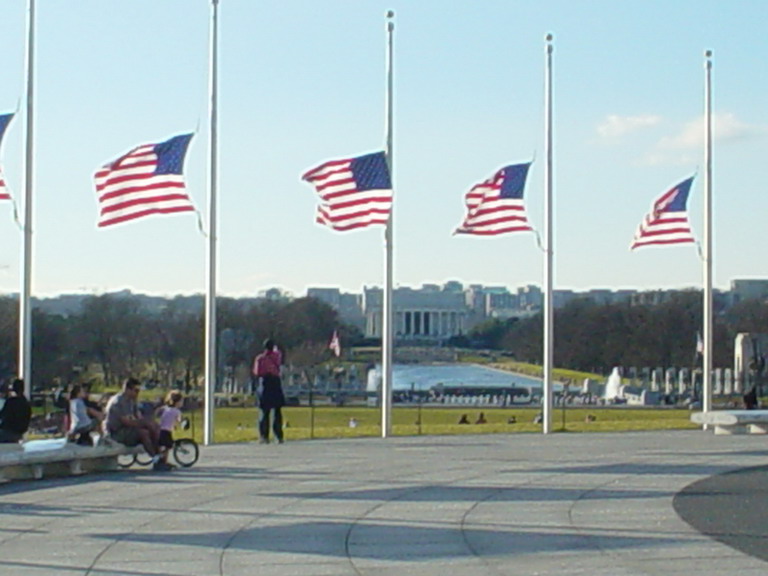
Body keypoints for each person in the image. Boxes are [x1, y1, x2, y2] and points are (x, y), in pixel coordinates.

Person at [104, 378, 169, 471]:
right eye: (136, 390)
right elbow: (126, 422)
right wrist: (146, 423)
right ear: (127, 389)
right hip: (116, 433)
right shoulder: (117, 402)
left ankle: (160, 459)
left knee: (151, 429)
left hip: (128, 430)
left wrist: (150, 424)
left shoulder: (132, 400)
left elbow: (138, 417)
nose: (138, 393)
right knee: (143, 432)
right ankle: (156, 459)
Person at [253, 338, 285, 444]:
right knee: (277, 411)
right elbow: (278, 353)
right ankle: (279, 435)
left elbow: (257, 372)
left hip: (265, 383)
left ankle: (264, 436)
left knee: (264, 412)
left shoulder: (260, 359)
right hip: (276, 383)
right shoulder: (277, 356)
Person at [156, 390, 183, 466]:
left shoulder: (165, 408)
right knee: (167, 447)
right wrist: (181, 422)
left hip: (160, 429)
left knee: (162, 445)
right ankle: (163, 461)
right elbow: (179, 420)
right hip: (167, 431)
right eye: (181, 401)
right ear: (177, 402)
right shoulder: (177, 411)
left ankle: (161, 460)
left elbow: (163, 416)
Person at [0, 379, 32, 443]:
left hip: (7, 431)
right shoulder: (26, 403)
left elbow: (3, 415)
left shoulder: (11, 402)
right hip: (19, 432)